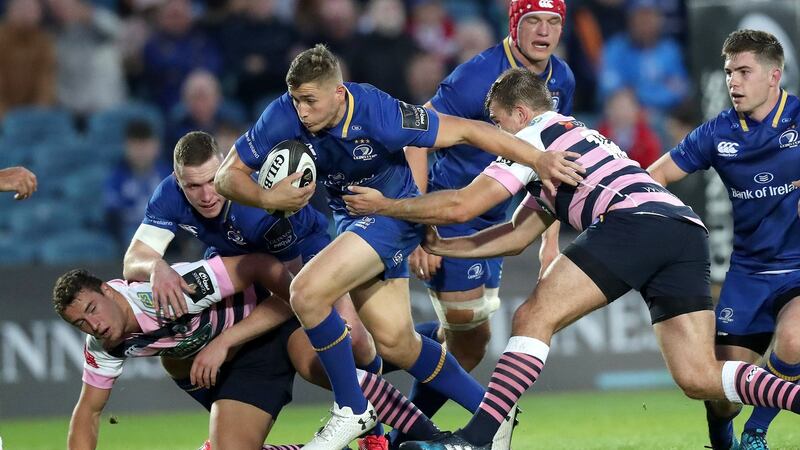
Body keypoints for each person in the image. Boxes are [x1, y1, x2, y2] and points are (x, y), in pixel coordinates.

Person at [343, 67, 800, 450]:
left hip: (634, 223)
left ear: (520, 114)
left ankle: (478, 438)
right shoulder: (579, 135)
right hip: (683, 230)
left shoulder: (534, 139)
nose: (500, 139)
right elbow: (516, 235)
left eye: (500, 126)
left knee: (532, 316)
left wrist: (386, 206)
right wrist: (443, 245)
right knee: (699, 376)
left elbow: (464, 205)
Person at [214, 44, 583, 449]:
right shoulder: (282, 114)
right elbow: (226, 177)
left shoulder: (379, 113)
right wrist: (268, 200)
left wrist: (539, 159)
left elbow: (468, 129)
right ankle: (493, 415)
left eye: (310, 101)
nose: (302, 111)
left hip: (393, 214)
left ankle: (352, 409)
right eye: (296, 99)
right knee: (396, 342)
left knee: (306, 291)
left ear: (338, 94)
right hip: (353, 218)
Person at [399, 1, 575, 440]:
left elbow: (548, 162)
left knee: (467, 343)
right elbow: (416, 140)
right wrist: (422, 227)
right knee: (466, 338)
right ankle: (394, 409)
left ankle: (386, 361)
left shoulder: (563, 79)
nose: (543, 31)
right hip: (453, 213)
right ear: (514, 24)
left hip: (503, 218)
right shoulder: (475, 77)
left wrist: (549, 239)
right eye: (532, 20)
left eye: (553, 22)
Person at [55, 254, 443, 450]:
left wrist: (308, 300)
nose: (93, 325)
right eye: (81, 324)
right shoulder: (104, 343)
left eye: (91, 310)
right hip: (244, 363)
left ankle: (431, 439)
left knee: (331, 365)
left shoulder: (172, 291)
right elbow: (88, 411)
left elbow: (258, 265)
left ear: (108, 290)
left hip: (272, 320)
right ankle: (422, 344)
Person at [647, 29, 800, 450]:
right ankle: (724, 440)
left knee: (795, 338)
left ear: (774, 75)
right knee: (721, 394)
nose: (733, 81)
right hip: (749, 273)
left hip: (798, 270)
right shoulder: (717, 133)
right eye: (729, 71)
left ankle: (756, 434)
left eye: (744, 71)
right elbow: (656, 175)